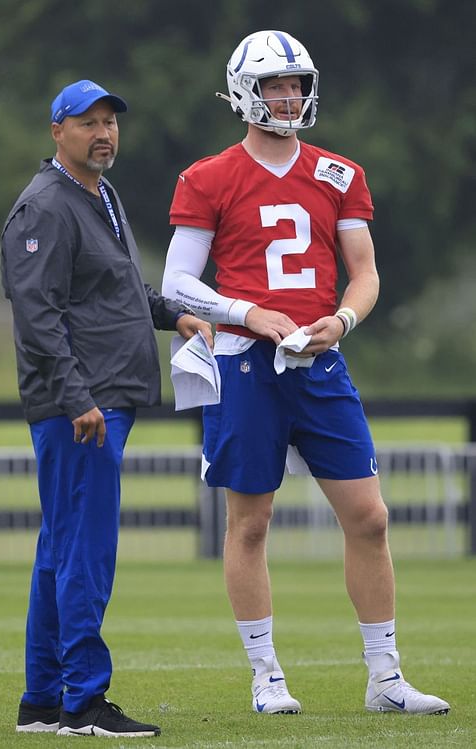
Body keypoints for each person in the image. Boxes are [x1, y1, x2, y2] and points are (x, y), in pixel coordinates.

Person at [162, 31, 450, 716]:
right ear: (244, 92)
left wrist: (342, 322)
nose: (288, 96)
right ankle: (266, 675)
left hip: (318, 363)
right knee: (250, 523)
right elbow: (175, 282)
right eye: (274, 85)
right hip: (244, 365)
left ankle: (385, 678)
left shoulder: (339, 172)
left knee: (371, 517)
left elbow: (366, 274)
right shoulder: (207, 177)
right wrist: (246, 312)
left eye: (296, 84)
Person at [1, 79, 212, 738]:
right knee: (86, 553)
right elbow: (38, 317)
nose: (104, 133)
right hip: (82, 406)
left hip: (103, 396)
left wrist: (173, 315)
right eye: (88, 122)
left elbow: (120, 290)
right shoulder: (45, 207)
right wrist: (76, 397)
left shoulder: (103, 195)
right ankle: (84, 702)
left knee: (60, 550)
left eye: (110, 122)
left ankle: (40, 701)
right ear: (56, 130)